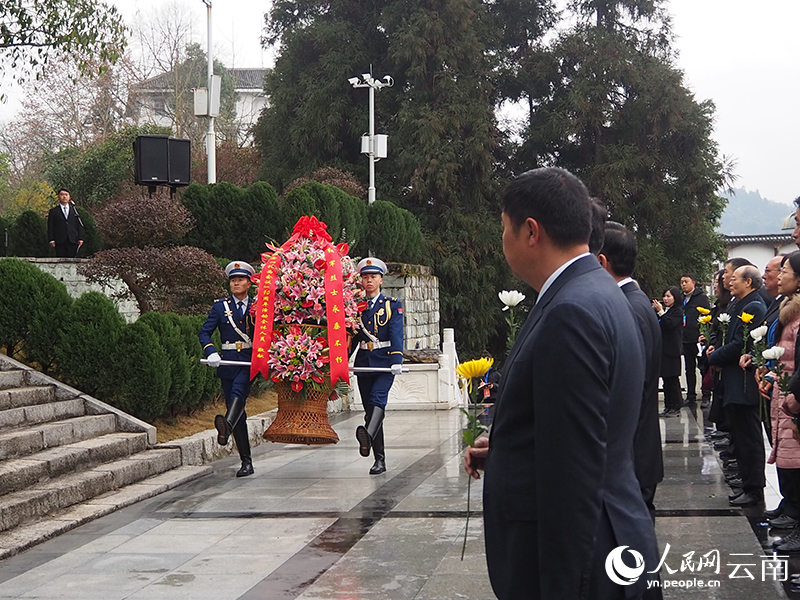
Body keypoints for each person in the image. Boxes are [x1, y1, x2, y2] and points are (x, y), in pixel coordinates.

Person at [464, 167, 658, 599]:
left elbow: (574, 476)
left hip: (585, 559)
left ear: (530, 231)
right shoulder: (594, 291)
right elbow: (580, 430)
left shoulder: (571, 312)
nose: (503, 242)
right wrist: (509, 447)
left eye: (504, 229)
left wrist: (563, 586)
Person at [598, 222, 663, 519]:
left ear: (602, 262)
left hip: (633, 454)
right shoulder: (633, 301)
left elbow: (630, 386)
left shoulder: (630, 308)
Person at [707, 265, 768, 506]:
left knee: (749, 439)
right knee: (741, 438)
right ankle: (747, 484)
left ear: (749, 283)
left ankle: (754, 489)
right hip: (733, 382)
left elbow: (739, 345)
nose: (729, 282)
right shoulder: (737, 304)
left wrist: (714, 357)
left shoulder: (752, 306)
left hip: (744, 384)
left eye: (734, 279)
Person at [755, 251, 800, 546]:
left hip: (794, 396)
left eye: (784, 271)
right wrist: (771, 373)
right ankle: (791, 507)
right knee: (784, 451)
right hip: (784, 390)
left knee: (794, 457)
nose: (779, 276)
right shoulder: (784, 307)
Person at [199, 261, 256, 478]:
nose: (236, 283)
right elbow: (204, 332)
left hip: (249, 361)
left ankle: (227, 426)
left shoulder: (257, 306)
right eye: (233, 280)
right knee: (237, 409)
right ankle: (246, 461)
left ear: (249, 283)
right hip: (227, 362)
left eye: (240, 279)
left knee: (238, 394)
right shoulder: (220, 307)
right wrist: (211, 351)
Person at [352, 257, 404, 475]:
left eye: (373, 276)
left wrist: (397, 360)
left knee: (377, 401)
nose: (369, 280)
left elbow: (396, 333)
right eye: (365, 277)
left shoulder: (392, 305)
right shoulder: (355, 307)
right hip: (364, 361)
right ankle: (378, 458)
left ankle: (368, 437)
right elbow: (352, 337)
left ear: (381, 280)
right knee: (370, 411)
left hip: (384, 361)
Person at [680, 274, 711, 405]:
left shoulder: (701, 297)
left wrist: (704, 334)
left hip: (698, 338)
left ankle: (706, 395)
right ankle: (690, 396)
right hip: (685, 337)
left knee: (702, 367)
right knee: (689, 368)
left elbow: (707, 315)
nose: (683, 284)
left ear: (693, 282)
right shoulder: (681, 298)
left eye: (686, 282)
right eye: (681, 282)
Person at [653, 287, 684, 417]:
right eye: (664, 296)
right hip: (663, 349)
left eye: (668, 296)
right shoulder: (667, 311)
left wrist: (661, 312)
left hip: (672, 350)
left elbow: (670, 324)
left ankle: (676, 406)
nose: (665, 299)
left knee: (672, 380)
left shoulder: (677, 311)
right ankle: (668, 405)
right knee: (666, 379)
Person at [47, 188, 84, 257]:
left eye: (66, 195)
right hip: (59, 240)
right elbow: (51, 226)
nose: (64, 196)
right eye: (62, 195)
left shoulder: (75, 210)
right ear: (58, 197)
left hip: (72, 240)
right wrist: (51, 239)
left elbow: (79, 224)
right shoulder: (54, 211)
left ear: (69, 197)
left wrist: (80, 238)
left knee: (72, 259)